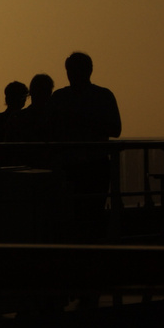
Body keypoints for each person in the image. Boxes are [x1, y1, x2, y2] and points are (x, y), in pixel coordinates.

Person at [49, 53, 121, 240]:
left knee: (81, 212)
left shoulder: (60, 97)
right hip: (85, 164)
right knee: (87, 212)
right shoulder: (102, 95)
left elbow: (115, 129)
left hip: (79, 164)